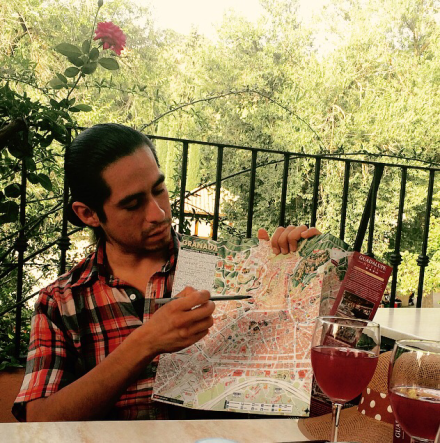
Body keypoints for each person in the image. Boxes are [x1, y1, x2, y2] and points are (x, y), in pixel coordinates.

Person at [13, 123, 320, 422]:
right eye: (133, 204)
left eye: (159, 190)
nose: (158, 213)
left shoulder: (226, 268)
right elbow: (39, 421)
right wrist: (145, 343)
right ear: (88, 213)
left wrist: (301, 273)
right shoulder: (62, 300)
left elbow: (299, 384)